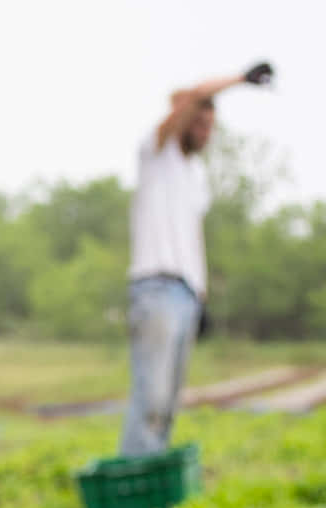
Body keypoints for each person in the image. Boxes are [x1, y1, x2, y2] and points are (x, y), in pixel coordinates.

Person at [120, 61, 274, 457]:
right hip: (156, 286)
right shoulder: (157, 152)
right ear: (183, 119)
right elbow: (198, 96)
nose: (205, 133)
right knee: (150, 398)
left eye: (210, 127)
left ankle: (153, 483)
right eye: (199, 123)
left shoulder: (194, 174)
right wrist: (241, 80)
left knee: (169, 403)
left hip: (186, 293)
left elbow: (193, 239)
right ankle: (135, 482)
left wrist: (201, 295)